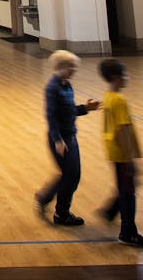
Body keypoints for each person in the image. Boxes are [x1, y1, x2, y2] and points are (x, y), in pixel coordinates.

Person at [33, 50, 101, 226]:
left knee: (71, 175)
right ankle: (61, 213)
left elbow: (68, 111)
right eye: (71, 66)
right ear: (60, 66)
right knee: (70, 175)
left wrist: (86, 108)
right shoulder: (52, 87)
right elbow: (51, 116)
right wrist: (57, 140)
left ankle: (45, 199)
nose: (74, 70)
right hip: (61, 139)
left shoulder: (66, 85)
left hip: (70, 136)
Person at [96, 58, 143, 249]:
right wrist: (130, 159)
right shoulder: (120, 101)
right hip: (122, 153)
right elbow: (123, 130)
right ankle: (128, 233)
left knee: (125, 186)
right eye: (125, 74)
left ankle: (110, 211)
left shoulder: (108, 96)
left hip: (113, 150)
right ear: (116, 77)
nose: (128, 77)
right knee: (128, 193)